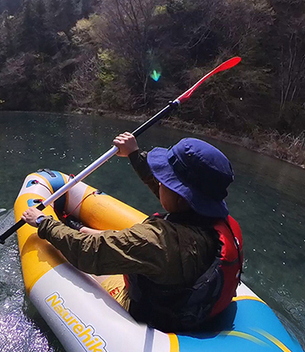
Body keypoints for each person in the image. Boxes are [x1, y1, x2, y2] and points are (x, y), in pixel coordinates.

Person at [21, 132, 243, 333]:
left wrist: (43, 222)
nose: (158, 181)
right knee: (95, 234)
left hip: (154, 318)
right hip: (184, 299)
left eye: (164, 180)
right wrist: (134, 155)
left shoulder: (157, 241)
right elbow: (173, 199)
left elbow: (88, 253)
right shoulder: (211, 219)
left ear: (180, 195)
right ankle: (80, 229)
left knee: (86, 247)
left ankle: (71, 229)